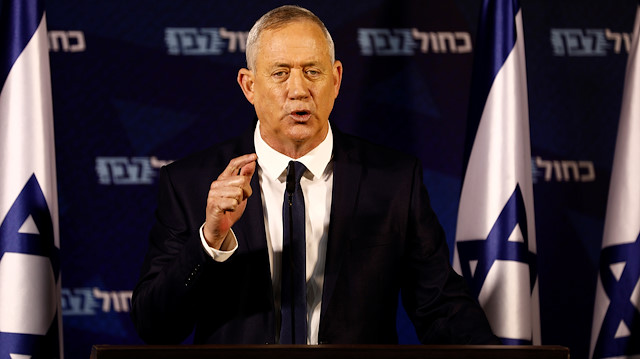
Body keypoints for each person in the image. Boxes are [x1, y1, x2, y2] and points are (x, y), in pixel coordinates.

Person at [131, 5, 500, 345]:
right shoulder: (190, 184)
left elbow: (441, 308)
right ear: (249, 86)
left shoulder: (393, 182)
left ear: (336, 79)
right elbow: (155, 326)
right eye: (280, 74)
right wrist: (209, 239)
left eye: (312, 72)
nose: (298, 90)